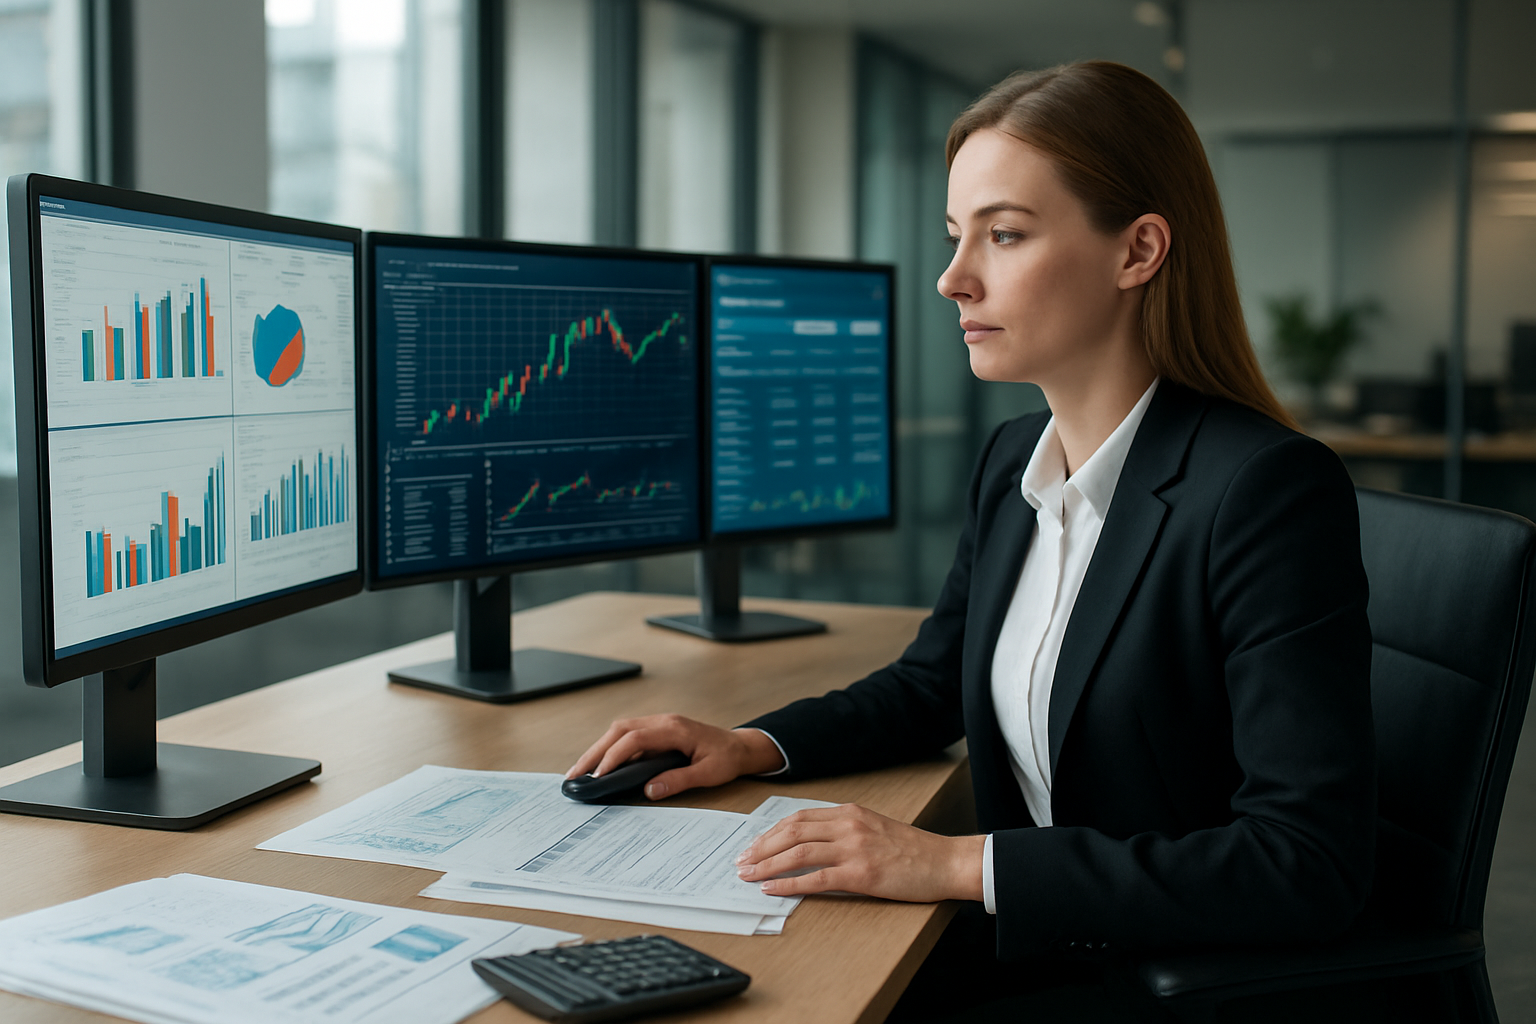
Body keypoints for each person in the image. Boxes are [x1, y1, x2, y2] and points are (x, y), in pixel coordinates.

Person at [567, 60, 1376, 1020]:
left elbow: (1305, 863)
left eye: (1004, 235)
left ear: (1139, 250)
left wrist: (953, 861)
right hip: (1024, 951)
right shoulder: (1012, 462)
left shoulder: (1263, 492)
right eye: (958, 238)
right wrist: (751, 744)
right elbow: (930, 683)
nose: (954, 279)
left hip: (1146, 978)